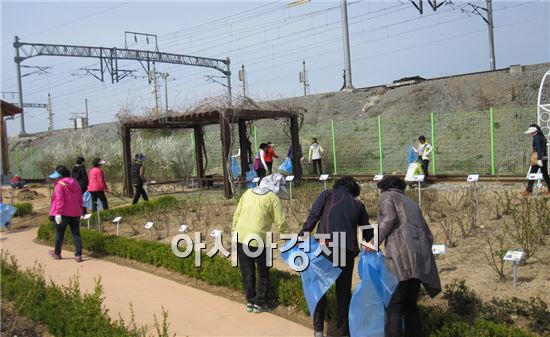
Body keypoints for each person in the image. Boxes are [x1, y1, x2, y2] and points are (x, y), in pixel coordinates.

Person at [369, 176, 441, 337]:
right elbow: (428, 235)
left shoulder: (386, 196)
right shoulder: (412, 203)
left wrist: (373, 243)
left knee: (394, 305)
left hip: (401, 258)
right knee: (410, 305)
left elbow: (389, 218)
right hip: (420, 261)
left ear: (384, 188)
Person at [300, 176, 371, 337]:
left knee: (319, 288)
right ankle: (343, 332)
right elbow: (368, 233)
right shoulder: (358, 205)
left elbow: (313, 217)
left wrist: (302, 236)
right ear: (354, 190)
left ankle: (318, 331)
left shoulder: (328, 194)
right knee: (343, 293)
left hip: (326, 247)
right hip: (346, 251)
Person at [232, 173, 290, 313]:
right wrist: (288, 235)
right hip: (259, 239)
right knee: (263, 271)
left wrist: (235, 230)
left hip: (241, 237)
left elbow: (237, 214)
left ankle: (250, 301)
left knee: (247, 270)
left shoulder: (247, 193)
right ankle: (260, 302)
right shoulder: (272, 198)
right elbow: (281, 222)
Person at [48, 165, 84, 262]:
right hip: (76, 213)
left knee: (60, 234)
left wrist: (58, 213)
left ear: (60, 176)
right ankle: (78, 255)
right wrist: (81, 210)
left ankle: (57, 253)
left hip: (63, 213)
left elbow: (59, 200)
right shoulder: (75, 183)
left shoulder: (59, 185)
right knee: (76, 234)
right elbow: (80, 197)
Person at [522, 124, 550, 196]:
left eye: (531, 132)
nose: (530, 133)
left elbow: (539, 149)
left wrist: (539, 159)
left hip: (538, 159)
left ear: (535, 131)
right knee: (545, 175)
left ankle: (529, 190)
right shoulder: (541, 137)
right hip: (543, 158)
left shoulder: (537, 138)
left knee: (532, 174)